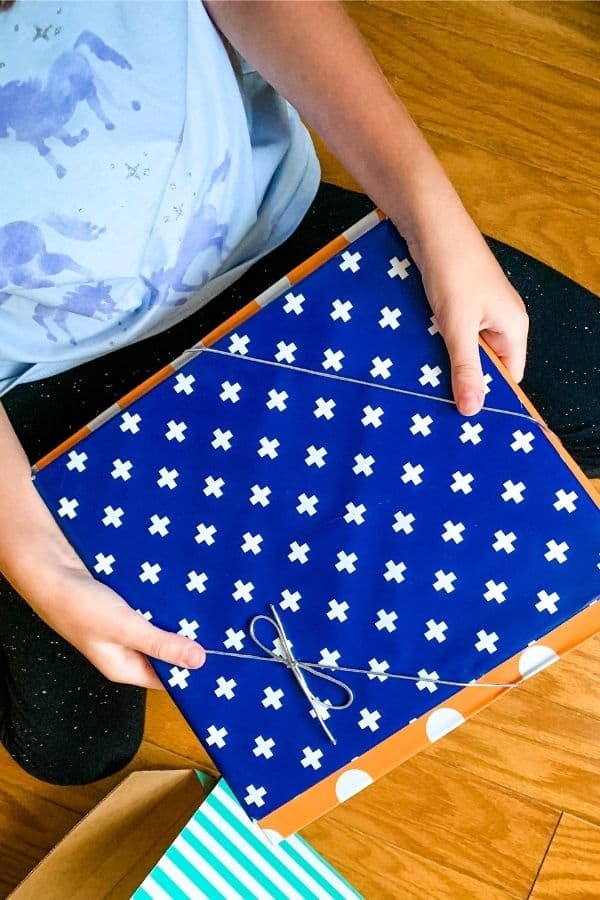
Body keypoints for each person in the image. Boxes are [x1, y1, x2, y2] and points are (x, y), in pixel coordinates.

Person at [0, 1, 597, 785]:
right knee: (74, 751)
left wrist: (431, 215)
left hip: (278, 244)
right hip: (43, 388)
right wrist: (34, 558)